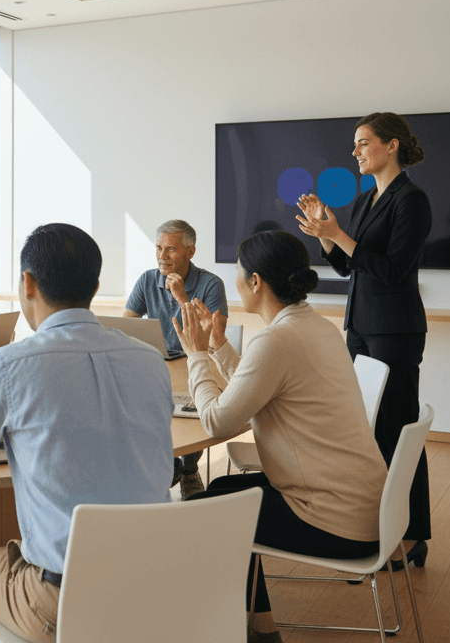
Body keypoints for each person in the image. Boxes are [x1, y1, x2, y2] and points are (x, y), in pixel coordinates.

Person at [0, 223, 173, 643]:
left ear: (27, 283)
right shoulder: (149, 360)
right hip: (157, 590)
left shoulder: (11, 365)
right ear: (95, 284)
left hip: (63, 601)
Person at [174, 230, 388, 643]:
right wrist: (219, 345)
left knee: (208, 512)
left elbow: (217, 422)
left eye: (238, 273)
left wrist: (197, 355)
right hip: (365, 507)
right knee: (222, 490)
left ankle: (210, 628)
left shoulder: (276, 340)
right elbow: (259, 392)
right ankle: (262, 628)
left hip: (334, 520)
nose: (235, 281)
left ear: (255, 282)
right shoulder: (313, 326)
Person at [297, 111, 432, 568]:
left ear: (391, 145)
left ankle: (411, 534)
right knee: (369, 430)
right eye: (354, 145)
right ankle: (377, 528)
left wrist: (339, 235)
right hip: (361, 326)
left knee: (397, 428)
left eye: (363, 142)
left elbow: (393, 270)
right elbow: (347, 268)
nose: (355, 152)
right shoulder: (363, 202)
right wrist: (327, 237)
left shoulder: (411, 200)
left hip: (395, 328)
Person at [123, 219, 228, 496]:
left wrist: (181, 297)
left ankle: (189, 469)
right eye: (158, 248)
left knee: (194, 409)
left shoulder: (210, 284)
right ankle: (165, 464)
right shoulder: (147, 279)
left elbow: (214, 334)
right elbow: (125, 326)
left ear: (190, 252)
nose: (162, 256)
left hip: (198, 362)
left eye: (171, 249)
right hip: (158, 364)